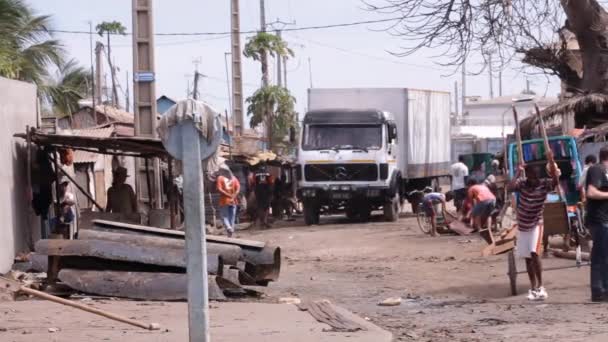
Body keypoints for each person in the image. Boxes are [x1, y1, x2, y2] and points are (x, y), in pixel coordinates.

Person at [510, 162, 559, 301]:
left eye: (535, 177)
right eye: (531, 176)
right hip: (523, 224)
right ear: (528, 176)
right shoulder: (523, 184)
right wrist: (518, 172)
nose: (533, 179)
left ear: (539, 176)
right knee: (527, 257)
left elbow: (555, 181)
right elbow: (510, 187)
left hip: (536, 224)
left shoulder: (544, 184)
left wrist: (553, 167)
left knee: (534, 253)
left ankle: (541, 286)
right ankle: (533, 287)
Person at [585, 147, 608, 302]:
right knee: (600, 256)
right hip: (599, 220)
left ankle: (604, 289)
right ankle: (598, 290)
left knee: (605, 256)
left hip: (604, 220)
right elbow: (591, 192)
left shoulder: (603, 172)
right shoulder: (596, 170)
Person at [216, 165, 240, 238]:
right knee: (232, 218)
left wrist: (228, 195)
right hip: (233, 201)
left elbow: (219, 189)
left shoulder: (220, 178)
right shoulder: (234, 178)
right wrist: (233, 196)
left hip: (224, 201)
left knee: (224, 217)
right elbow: (238, 188)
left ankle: (229, 228)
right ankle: (230, 235)